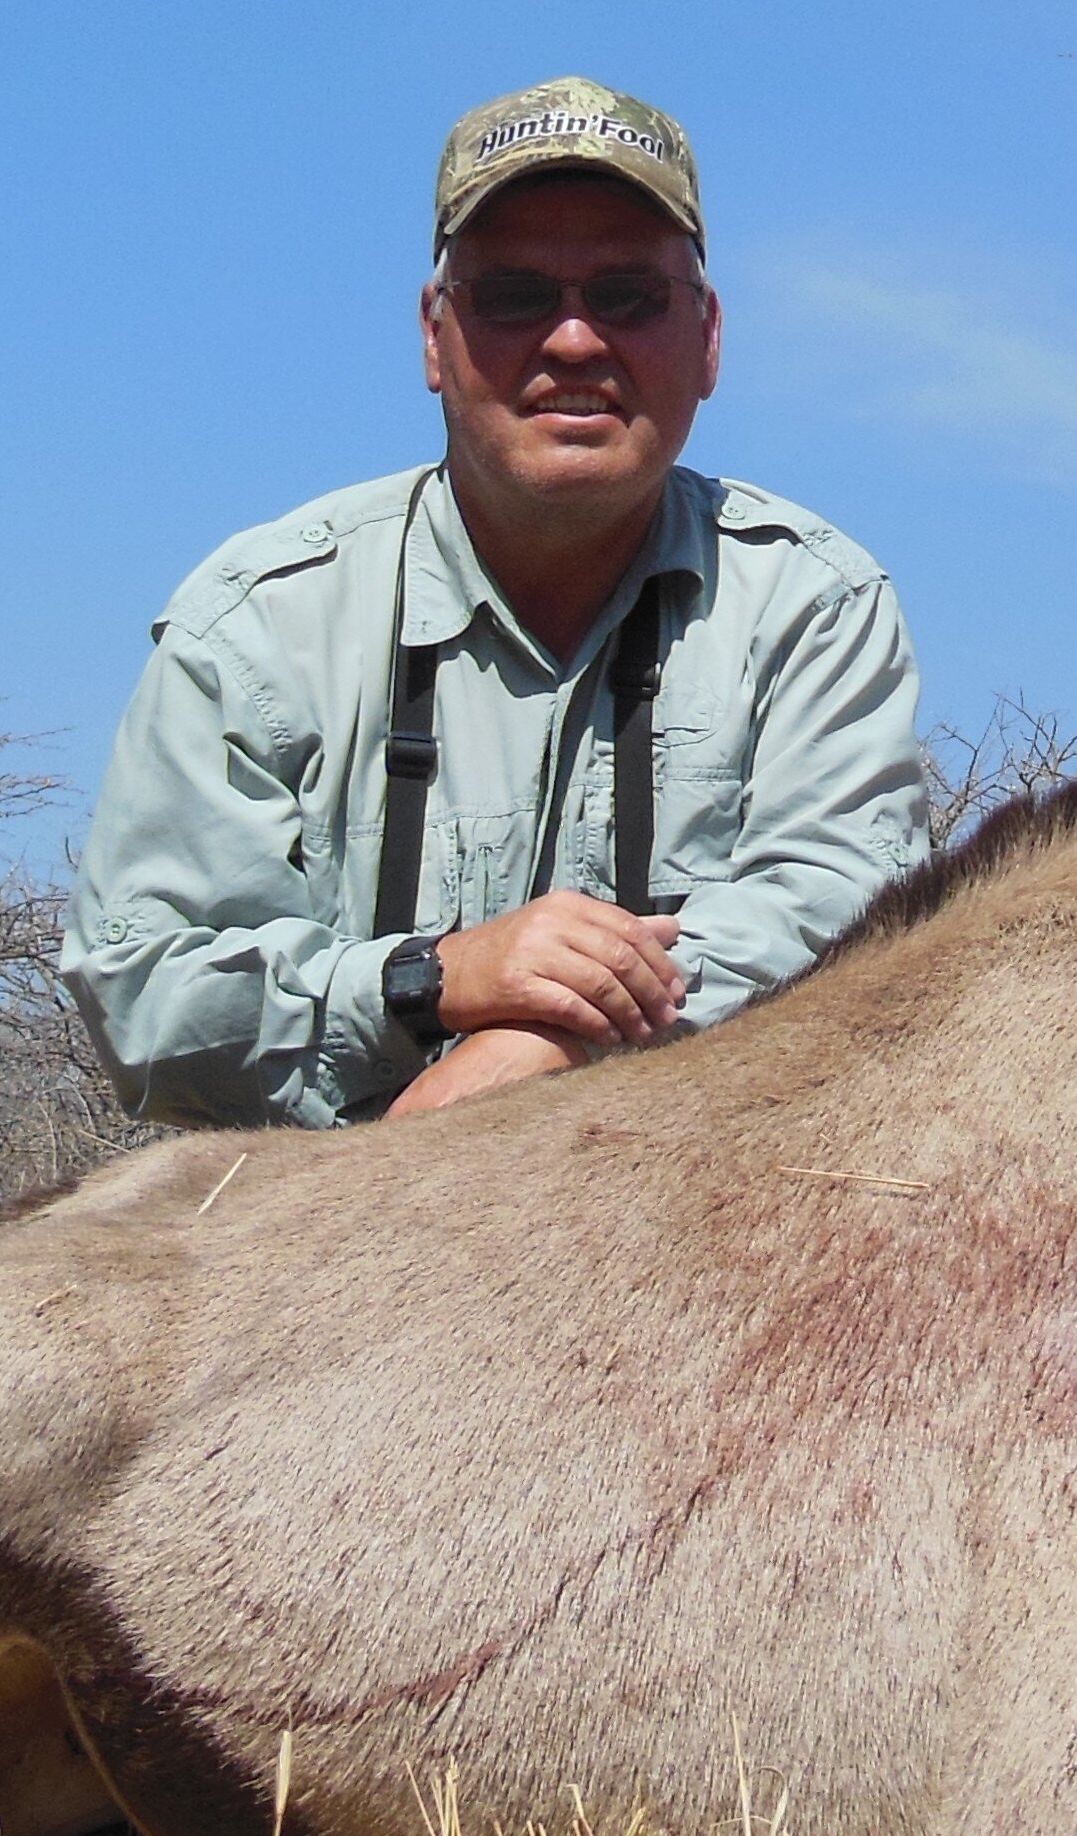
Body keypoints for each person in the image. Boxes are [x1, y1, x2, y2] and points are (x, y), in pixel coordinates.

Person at [62, 78, 927, 1127]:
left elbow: (845, 924)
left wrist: (542, 1039)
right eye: (515, 295)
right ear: (434, 336)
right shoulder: (255, 623)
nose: (572, 342)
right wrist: (433, 982)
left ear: (706, 339)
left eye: (627, 297)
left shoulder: (813, 605)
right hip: (308, 1245)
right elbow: (145, 994)